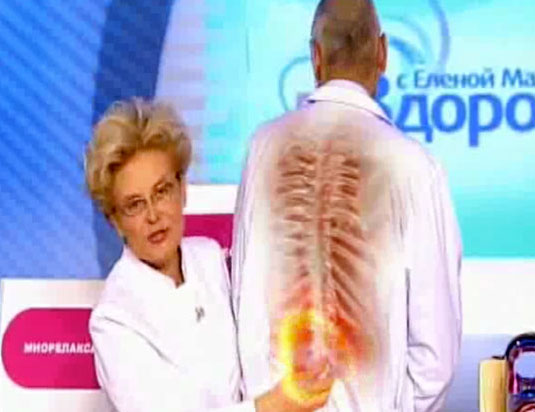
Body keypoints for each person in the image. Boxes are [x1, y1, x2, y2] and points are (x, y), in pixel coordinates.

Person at [231, 0, 463, 411]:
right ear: (383, 52)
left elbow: (245, 307)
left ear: (315, 56)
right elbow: (436, 356)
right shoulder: (415, 167)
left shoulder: (263, 148)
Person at [85, 98, 333, 412]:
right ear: (115, 220)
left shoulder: (208, 257)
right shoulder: (113, 318)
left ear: (182, 189)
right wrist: (273, 406)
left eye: (162, 191)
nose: (153, 215)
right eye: (135, 204)